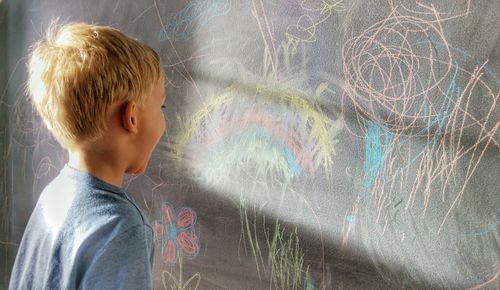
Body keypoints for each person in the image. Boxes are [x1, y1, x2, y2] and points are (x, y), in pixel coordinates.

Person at [9, 22, 166, 289]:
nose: (164, 119)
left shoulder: (53, 197)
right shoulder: (120, 228)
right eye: (161, 105)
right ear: (131, 117)